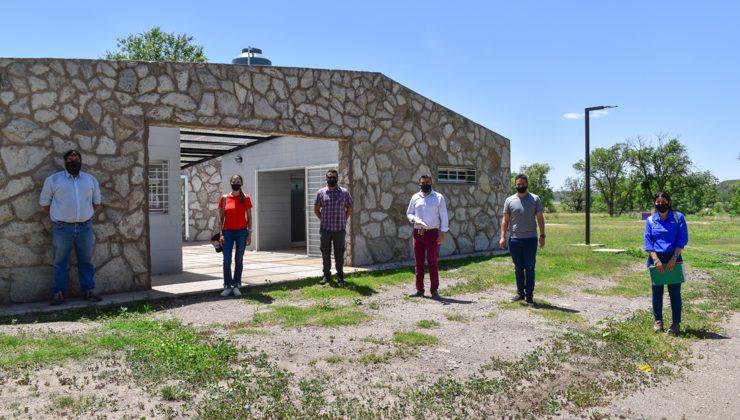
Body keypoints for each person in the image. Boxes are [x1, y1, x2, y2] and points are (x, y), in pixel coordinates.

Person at [39, 150, 102, 305]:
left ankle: (88, 291)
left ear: (81, 161)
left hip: (85, 227)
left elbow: (96, 202)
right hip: (62, 228)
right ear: (65, 161)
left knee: (86, 261)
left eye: (77, 158)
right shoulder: (53, 180)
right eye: (70, 158)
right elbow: (44, 203)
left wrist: (82, 216)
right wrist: (61, 216)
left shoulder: (90, 180)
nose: (73, 160)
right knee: (60, 261)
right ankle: (59, 293)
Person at [644, 191, 688, 335]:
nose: (661, 205)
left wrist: (674, 257)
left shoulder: (678, 217)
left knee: (675, 293)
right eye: (658, 202)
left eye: (664, 202)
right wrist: (655, 259)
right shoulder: (650, 220)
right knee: (657, 292)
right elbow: (648, 241)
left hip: (674, 258)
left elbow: (682, 239)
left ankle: (676, 323)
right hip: (655, 259)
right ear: (655, 203)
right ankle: (658, 321)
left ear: (669, 202)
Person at [499, 174, 545, 305]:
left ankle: (529, 296)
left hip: (530, 239)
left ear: (527, 184)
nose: (520, 186)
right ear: (515, 185)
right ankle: (520, 293)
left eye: (523, 184)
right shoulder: (509, 200)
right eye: (518, 184)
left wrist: (542, 236)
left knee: (530, 267)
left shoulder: (535, 199)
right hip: (515, 240)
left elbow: (540, 218)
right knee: (518, 267)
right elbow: (505, 220)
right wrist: (502, 237)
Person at [406, 175, 449, 300]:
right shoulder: (415, 197)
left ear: (431, 182)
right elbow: (409, 212)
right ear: (419, 184)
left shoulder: (438, 197)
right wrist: (413, 219)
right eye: (423, 182)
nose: (425, 184)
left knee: (432, 262)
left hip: (432, 234)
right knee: (418, 263)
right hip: (418, 233)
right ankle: (419, 289)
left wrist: (443, 233)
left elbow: (444, 215)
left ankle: (434, 290)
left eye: (427, 182)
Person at [314, 169, 353, 286]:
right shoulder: (321, 192)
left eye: (334, 177)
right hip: (325, 229)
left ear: (337, 178)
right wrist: (322, 218)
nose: (332, 179)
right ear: (326, 178)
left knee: (339, 254)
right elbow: (316, 209)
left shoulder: (344, 193)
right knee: (325, 253)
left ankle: (340, 277)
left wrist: (344, 219)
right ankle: (326, 275)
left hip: (339, 229)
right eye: (329, 177)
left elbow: (349, 207)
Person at [217, 174, 253, 297]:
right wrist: (220, 234)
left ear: (241, 183)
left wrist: (249, 233)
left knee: (239, 259)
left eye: (237, 181)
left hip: (242, 232)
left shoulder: (246, 198)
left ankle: (237, 284)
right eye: (233, 181)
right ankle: (227, 285)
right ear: (230, 183)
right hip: (227, 233)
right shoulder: (224, 198)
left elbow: (249, 216)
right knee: (226, 260)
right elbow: (221, 218)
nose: (235, 183)